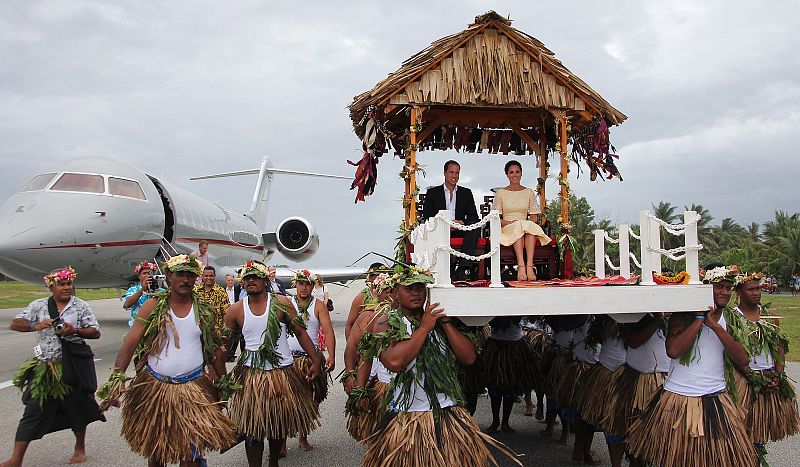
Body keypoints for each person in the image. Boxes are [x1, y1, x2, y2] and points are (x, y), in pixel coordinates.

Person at [361, 265, 520, 467]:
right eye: (408, 288)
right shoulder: (386, 323)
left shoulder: (440, 321)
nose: (415, 292)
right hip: (408, 416)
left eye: (420, 287)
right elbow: (394, 362)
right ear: (395, 291)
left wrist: (445, 324)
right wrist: (425, 327)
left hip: (447, 412)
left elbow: (469, 358)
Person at [98, 254, 235, 466]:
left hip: (194, 390)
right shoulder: (153, 306)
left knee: (191, 454)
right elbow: (131, 342)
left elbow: (212, 351)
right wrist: (118, 376)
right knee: (157, 454)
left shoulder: (203, 310)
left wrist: (223, 383)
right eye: (180, 274)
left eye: (190, 275)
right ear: (169, 275)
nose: (186, 279)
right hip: (157, 388)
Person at [626, 264, 756, 467]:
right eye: (718, 286)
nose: (724, 292)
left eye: (728, 287)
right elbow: (673, 351)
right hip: (678, 399)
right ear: (705, 288)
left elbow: (743, 359)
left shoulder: (732, 320)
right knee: (674, 459)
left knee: (715, 460)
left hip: (716, 399)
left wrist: (715, 327)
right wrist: (698, 320)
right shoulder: (682, 316)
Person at [2, 267, 105, 467]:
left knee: (77, 407)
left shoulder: (81, 306)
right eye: (62, 284)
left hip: (71, 366)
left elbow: (95, 332)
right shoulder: (38, 306)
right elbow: (15, 323)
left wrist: (74, 331)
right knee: (33, 410)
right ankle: (16, 459)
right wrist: (35, 326)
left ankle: (80, 447)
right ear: (51, 286)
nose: (67, 288)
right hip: (46, 368)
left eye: (69, 284)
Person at [224, 260, 321, 467]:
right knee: (253, 429)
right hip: (252, 376)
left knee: (278, 424)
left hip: (282, 373)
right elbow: (223, 346)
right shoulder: (235, 311)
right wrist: (219, 378)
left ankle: (273, 461)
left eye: (255, 277)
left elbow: (301, 333)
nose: (251, 281)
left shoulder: (282, 303)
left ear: (265, 279)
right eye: (247, 278)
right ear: (243, 282)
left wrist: (315, 360)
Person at [728, 271, 799, 458]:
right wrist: (750, 376)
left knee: (759, 427)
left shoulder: (769, 314)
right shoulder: (732, 317)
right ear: (739, 292)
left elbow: (779, 346)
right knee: (741, 426)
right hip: (743, 378)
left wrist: (778, 374)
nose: (756, 292)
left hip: (769, 376)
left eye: (758, 288)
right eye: (751, 289)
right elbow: (731, 352)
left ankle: (757, 455)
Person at [603, 313, 670, 467]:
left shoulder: (677, 318)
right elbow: (633, 341)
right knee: (621, 425)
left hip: (663, 382)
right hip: (634, 379)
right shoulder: (634, 315)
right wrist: (658, 318)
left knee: (650, 434)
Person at [285, 269, 336, 452]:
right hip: (288, 359)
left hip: (310, 359)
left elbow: (328, 331)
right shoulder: (287, 303)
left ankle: (303, 437)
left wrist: (331, 355)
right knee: (286, 400)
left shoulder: (318, 306)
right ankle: (281, 443)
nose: (304, 287)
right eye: (301, 284)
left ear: (313, 286)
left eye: (307, 284)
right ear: (295, 285)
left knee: (309, 398)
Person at [343, 273, 395, 442]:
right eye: (385, 291)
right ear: (377, 294)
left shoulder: (412, 316)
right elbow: (355, 349)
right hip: (377, 381)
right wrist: (352, 376)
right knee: (379, 436)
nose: (389, 295)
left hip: (401, 384)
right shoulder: (368, 317)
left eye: (392, 291)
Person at [422, 160, 481, 280]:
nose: (454, 176)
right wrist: (444, 223)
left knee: (475, 226)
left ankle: (463, 268)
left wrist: (461, 222)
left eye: (457, 173)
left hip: (460, 229)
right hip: (440, 230)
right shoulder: (432, 193)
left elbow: (473, 216)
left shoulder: (466, 193)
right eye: (451, 172)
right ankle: (443, 268)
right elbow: (427, 216)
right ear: (445, 173)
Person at [493, 160, 551, 281]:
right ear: (507, 175)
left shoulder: (529, 192)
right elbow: (496, 218)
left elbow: (534, 217)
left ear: (521, 173)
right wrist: (510, 223)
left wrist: (526, 224)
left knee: (528, 228)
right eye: (511, 172)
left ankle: (529, 266)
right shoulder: (501, 193)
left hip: (525, 225)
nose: (514, 175)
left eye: (517, 172)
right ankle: (521, 266)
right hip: (508, 227)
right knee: (518, 227)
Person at [481, 316, 537, 434]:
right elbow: (488, 321)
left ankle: (505, 422)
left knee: (511, 388)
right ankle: (495, 421)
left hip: (515, 345)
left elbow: (531, 319)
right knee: (495, 388)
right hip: (496, 345)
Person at [344, 263, 384, 340]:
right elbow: (349, 324)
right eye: (376, 275)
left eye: (382, 275)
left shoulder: (389, 294)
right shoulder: (362, 297)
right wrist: (350, 345)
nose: (380, 278)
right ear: (370, 277)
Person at [122, 261, 162, 327]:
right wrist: (142, 290)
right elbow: (127, 305)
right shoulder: (133, 290)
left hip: (155, 326)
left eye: (149, 273)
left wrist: (158, 294)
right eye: (144, 273)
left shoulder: (160, 290)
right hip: (137, 326)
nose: (147, 275)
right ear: (139, 276)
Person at [193, 266, 230, 338]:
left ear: (215, 276)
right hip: (199, 332)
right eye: (206, 276)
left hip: (216, 333)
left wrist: (225, 332)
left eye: (211, 276)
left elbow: (226, 312)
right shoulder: (195, 291)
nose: (208, 278)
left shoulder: (221, 292)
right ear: (202, 276)